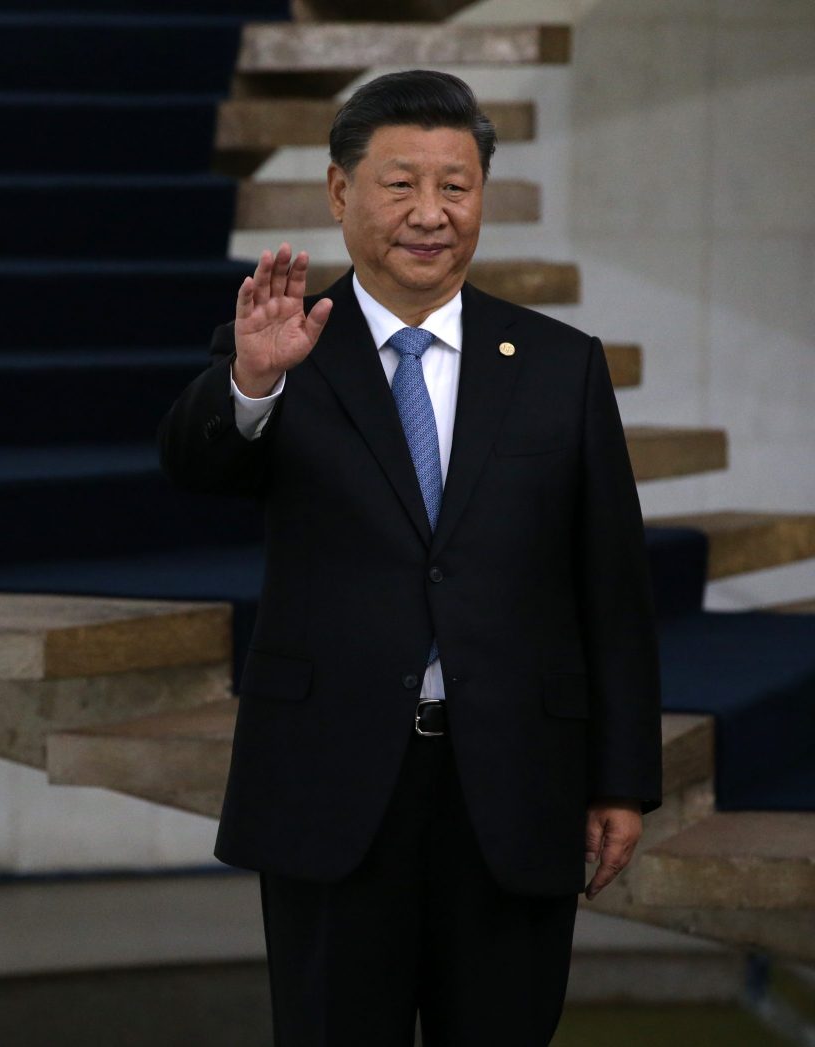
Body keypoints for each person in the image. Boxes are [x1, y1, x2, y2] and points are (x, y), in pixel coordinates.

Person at [159, 71, 661, 1045]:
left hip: (514, 785)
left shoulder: (560, 366)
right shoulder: (283, 347)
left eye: (456, 186)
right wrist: (252, 380)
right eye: (400, 185)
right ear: (342, 193)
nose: (431, 214)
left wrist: (620, 778)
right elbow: (192, 465)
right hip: (333, 789)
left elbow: (614, 591)